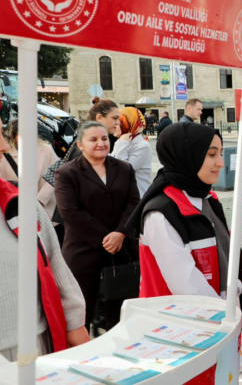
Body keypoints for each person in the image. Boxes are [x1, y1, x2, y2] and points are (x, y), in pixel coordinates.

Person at [126, 123, 237, 301]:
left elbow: (224, 257)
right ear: (187, 156)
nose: (221, 163)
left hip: (222, 315)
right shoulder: (161, 214)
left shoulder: (207, 199)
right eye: (211, 154)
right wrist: (227, 312)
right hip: (182, 320)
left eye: (221, 153)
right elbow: (187, 285)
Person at [54, 122, 140, 332]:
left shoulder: (123, 168)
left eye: (104, 138)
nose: (101, 143)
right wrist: (107, 237)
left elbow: (133, 203)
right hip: (83, 253)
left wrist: (121, 233)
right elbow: (71, 212)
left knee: (119, 316)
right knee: (81, 315)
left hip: (121, 254)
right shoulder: (67, 173)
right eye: (93, 140)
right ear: (81, 145)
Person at [0, 176, 89, 361]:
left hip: (34, 342)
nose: (4, 148)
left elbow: (54, 263)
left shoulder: (18, 201)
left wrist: (74, 321)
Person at [0, 119, 60, 242]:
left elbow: (56, 174)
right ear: (13, 135)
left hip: (47, 211)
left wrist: (39, 202)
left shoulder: (46, 149)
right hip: (19, 214)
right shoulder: (4, 155)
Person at [113, 107, 153, 197]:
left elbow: (123, 171)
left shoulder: (142, 146)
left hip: (138, 199)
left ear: (129, 123)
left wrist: (123, 143)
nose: (114, 126)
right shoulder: (121, 141)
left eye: (119, 122)